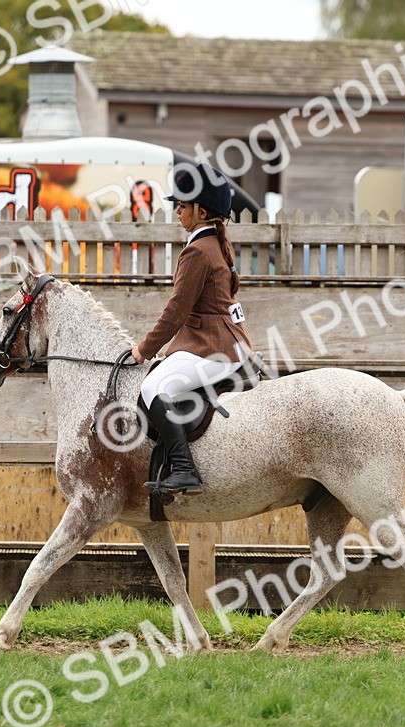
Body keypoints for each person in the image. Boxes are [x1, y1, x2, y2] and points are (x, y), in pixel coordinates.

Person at [131, 163, 253, 495]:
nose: (177, 211)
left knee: (153, 387)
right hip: (225, 343)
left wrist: (143, 349)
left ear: (200, 210)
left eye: (182, 206)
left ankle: (185, 469)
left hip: (214, 348)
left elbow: (175, 312)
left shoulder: (198, 251)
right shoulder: (214, 243)